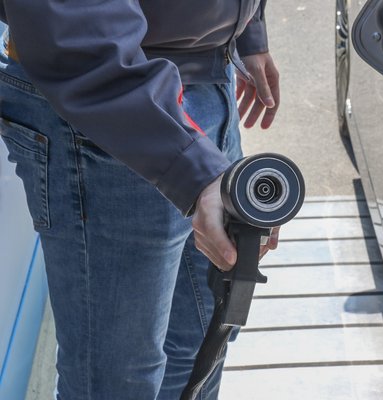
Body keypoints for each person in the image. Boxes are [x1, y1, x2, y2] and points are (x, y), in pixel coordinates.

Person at [0, 1, 280, 399]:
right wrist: (193, 169)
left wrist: (247, 29)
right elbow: (76, 26)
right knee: (117, 382)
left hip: (207, 77)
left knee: (201, 345)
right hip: (111, 106)